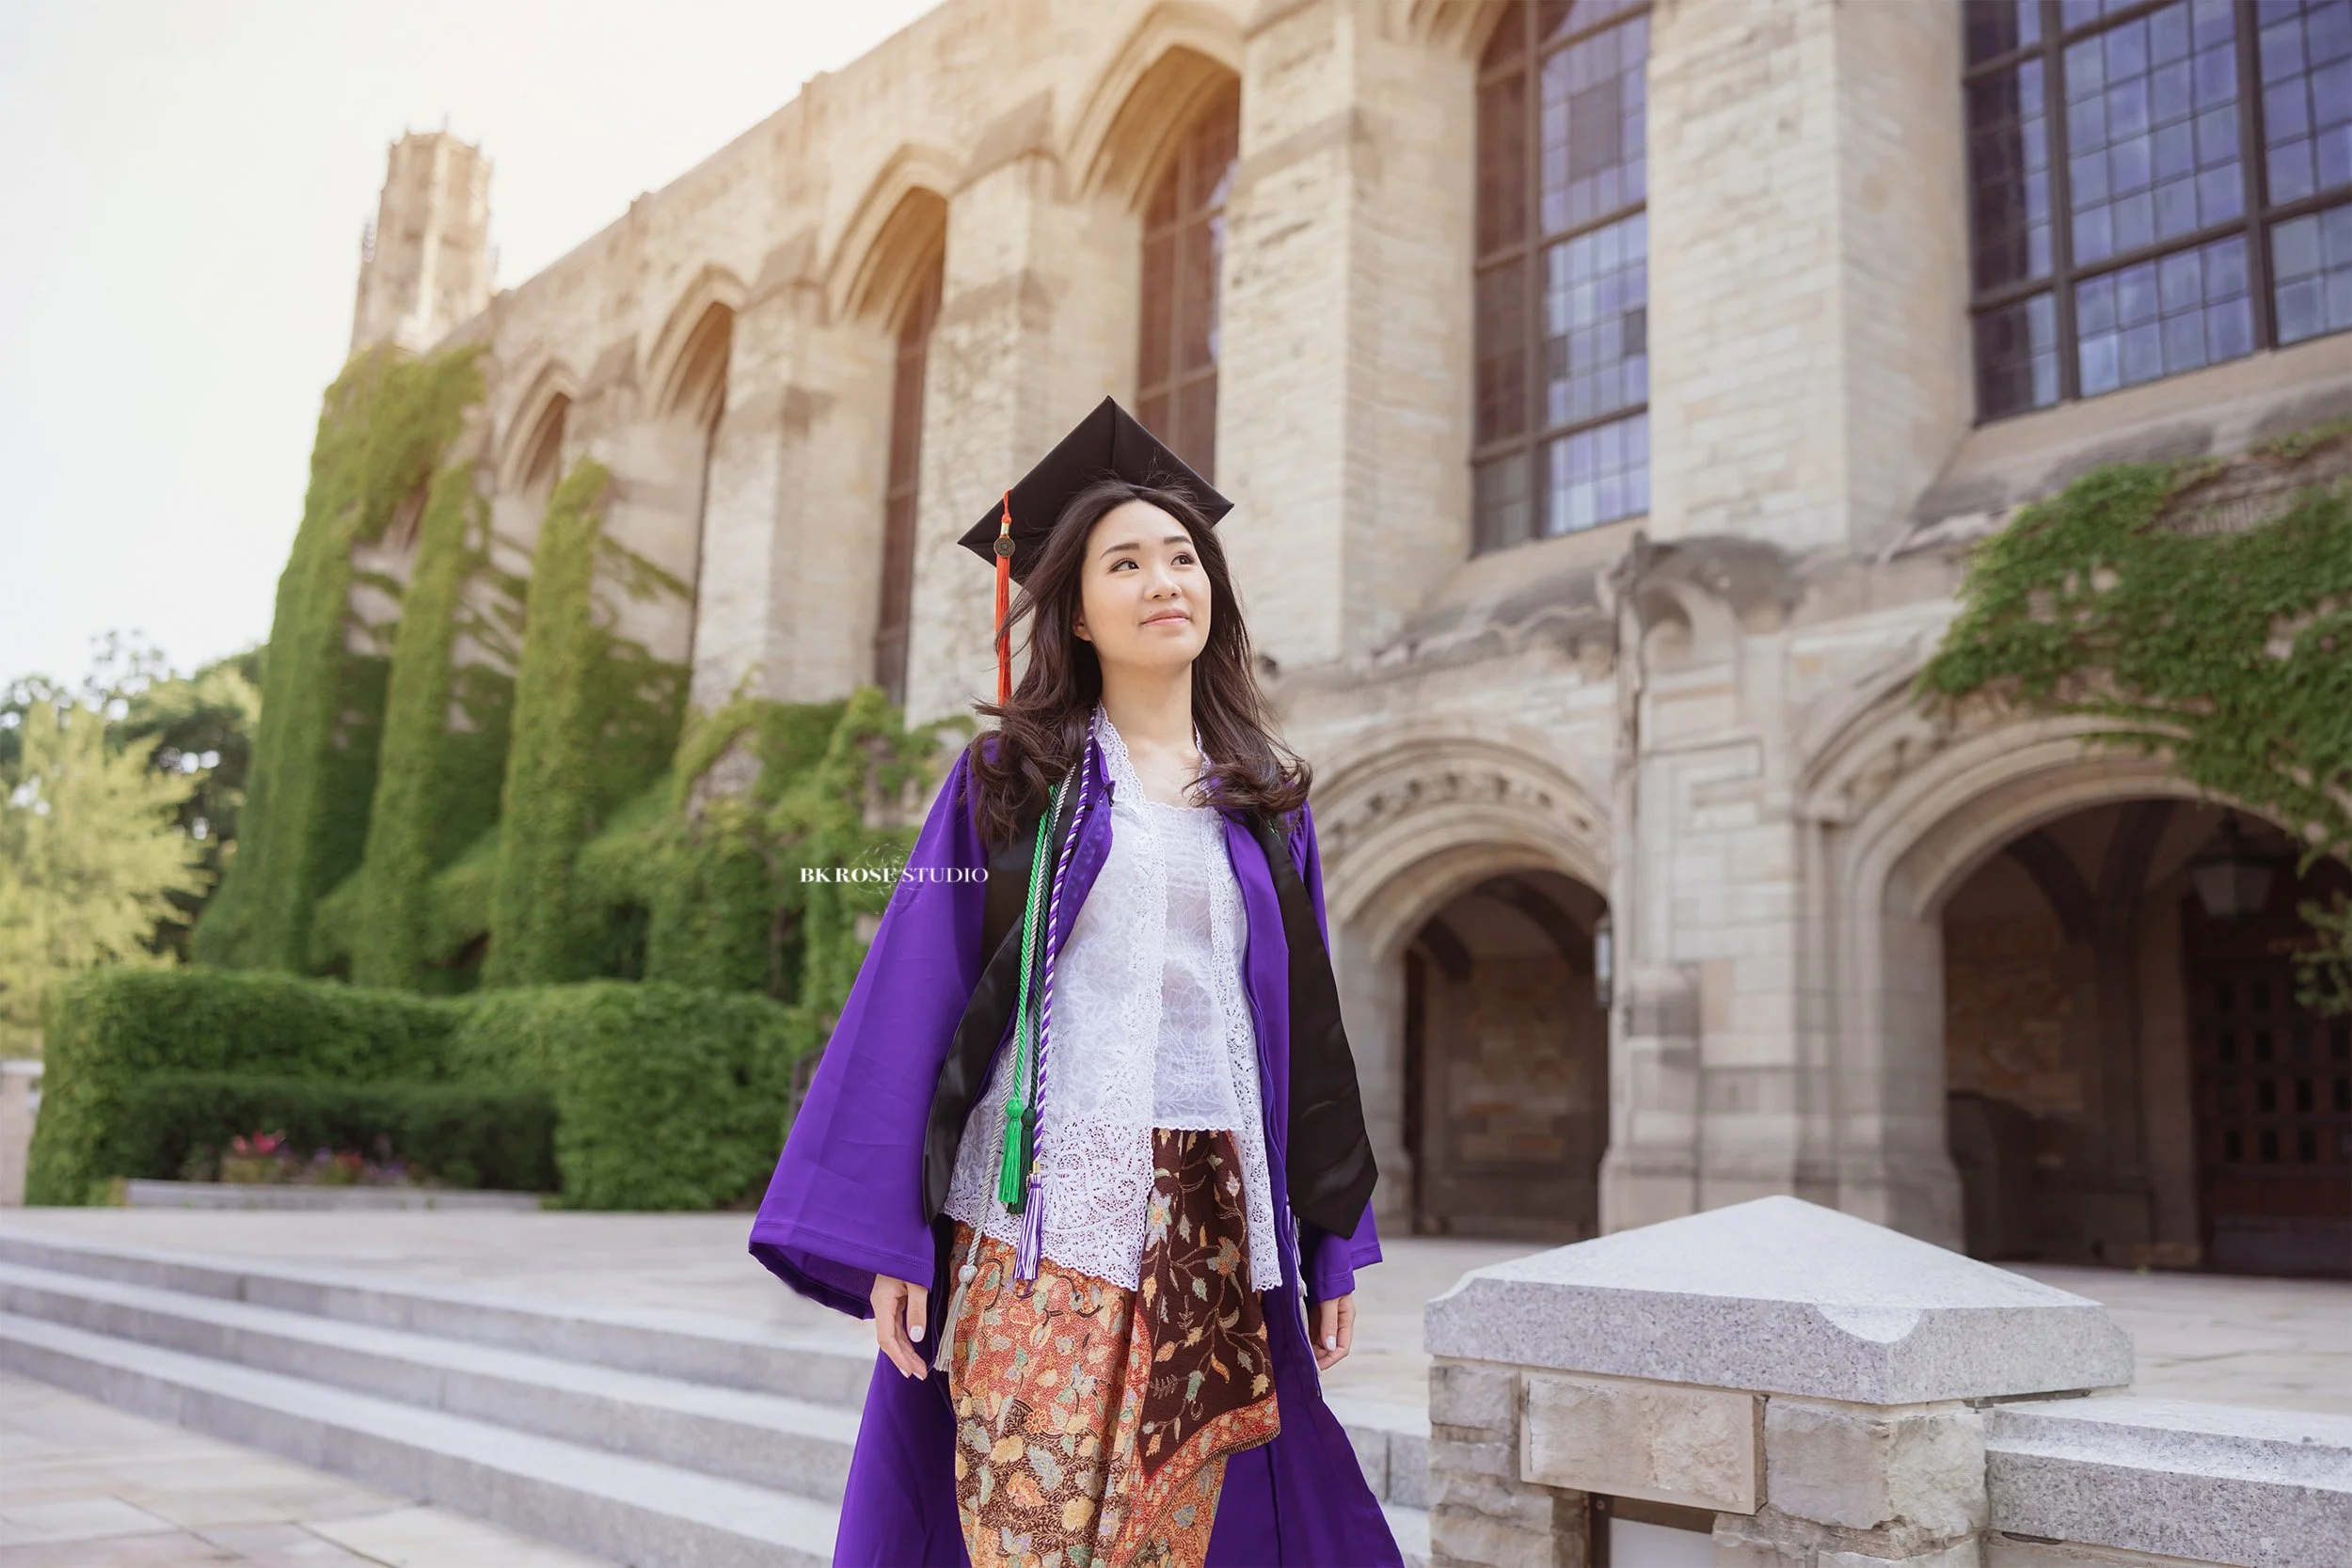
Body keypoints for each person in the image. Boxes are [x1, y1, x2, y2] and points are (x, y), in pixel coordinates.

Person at [749, 397, 1399, 1567]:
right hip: (1044, 1204)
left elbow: (1304, 1029)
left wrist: (1332, 1234)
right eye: (1127, 561)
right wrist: (895, 1230)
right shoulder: (1013, 781)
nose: (1165, 579)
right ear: (1079, 609)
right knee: (1028, 1520)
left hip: (1212, 1206)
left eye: (1184, 556)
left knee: (1178, 1528)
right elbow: (916, 985)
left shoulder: (1260, 801)